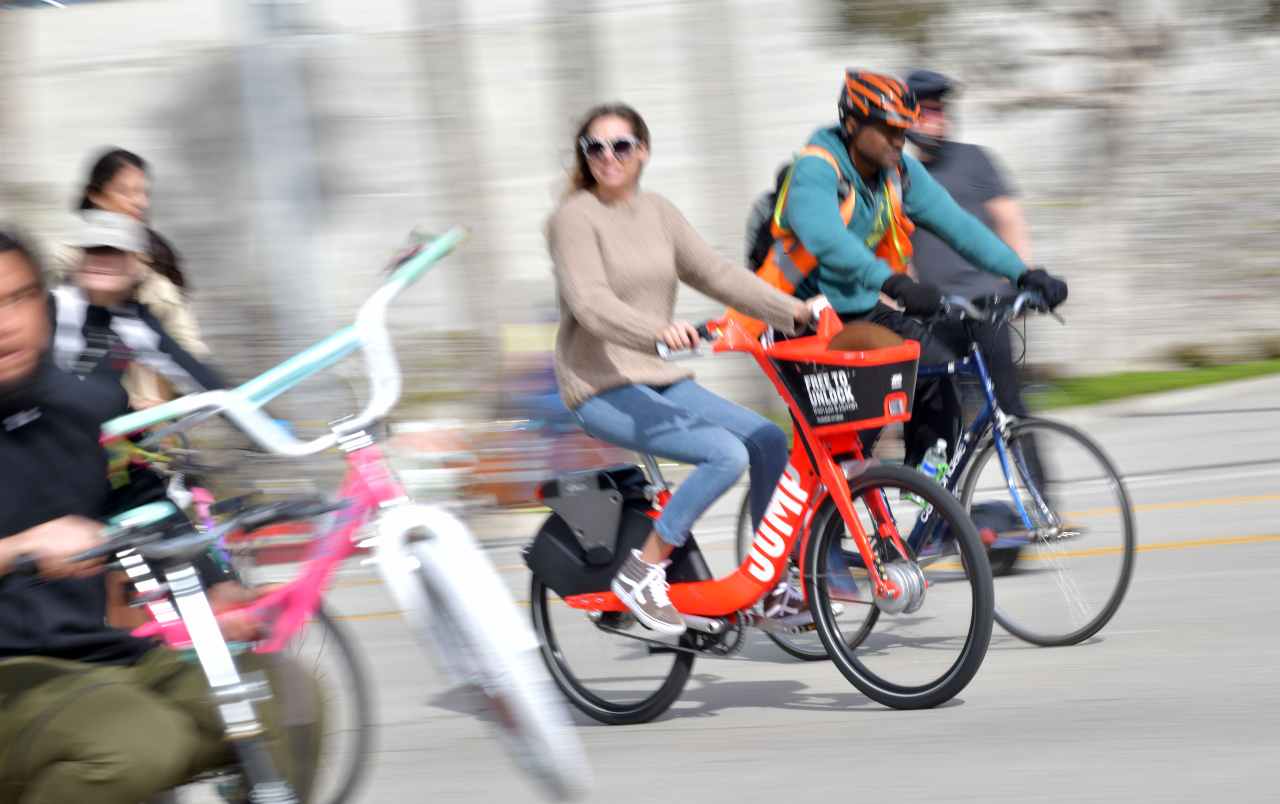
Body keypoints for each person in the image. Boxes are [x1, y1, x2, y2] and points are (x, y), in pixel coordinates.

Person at [0, 229, 320, 804]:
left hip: (109, 655)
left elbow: (147, 498)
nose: (6, 323)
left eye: (17, 298)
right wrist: (22, 547)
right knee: (135, 747)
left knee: (289, 699)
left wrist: (219, 588)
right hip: (13, 678)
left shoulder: (88, 405)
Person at [548, 102, 821, 635]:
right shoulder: (573, 219)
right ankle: (642, 571)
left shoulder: (659, 212)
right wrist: (655, 331)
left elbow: (716, 273)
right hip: (600, 385)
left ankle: (768, 585)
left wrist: (794, 312)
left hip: (658, 378)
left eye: (620, 145)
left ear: (642, 151)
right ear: (586, 157)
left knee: (766, 438)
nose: (608, 156)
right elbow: (590, 303)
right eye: (595, 147)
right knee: (724, 453)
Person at [781, 69, 1068, 466]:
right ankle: (834, 492)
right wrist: (894, 283)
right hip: (802, 316)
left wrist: (1022, 272)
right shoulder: (817, 169)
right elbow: (828, 240)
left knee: (936, 368)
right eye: (889, 131)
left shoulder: (898, 171)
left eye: (904, 130)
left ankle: (929, 496)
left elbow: (959, 227)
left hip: (858, 307)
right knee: (865, 413)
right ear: (852, 124)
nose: (900, 141)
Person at [54, 147, 208, 409]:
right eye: (126, 192)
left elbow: (187, 343)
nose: (140, 203)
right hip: (81, 395)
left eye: (143, 193)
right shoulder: (61, 262)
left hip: (150, 402)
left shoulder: (156, 266)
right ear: (96, 196)